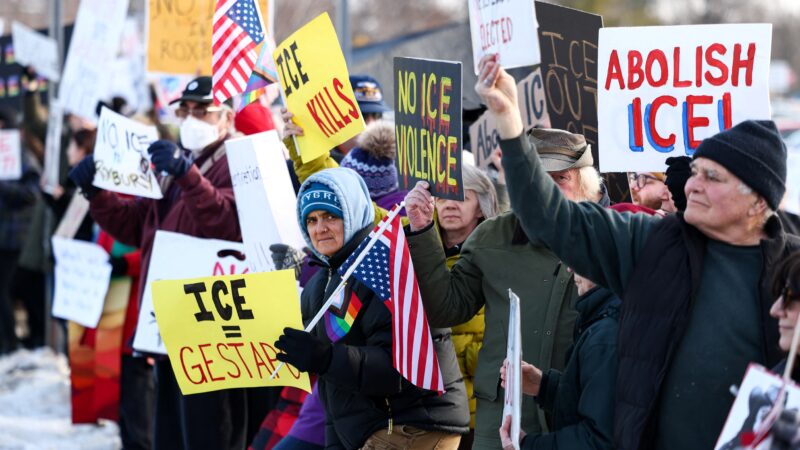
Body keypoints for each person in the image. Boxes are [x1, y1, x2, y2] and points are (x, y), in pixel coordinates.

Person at [475, 52, 800, 450]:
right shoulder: (651, 245)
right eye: (694, 172)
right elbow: (553, 218)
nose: (692, 185)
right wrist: (510, 123)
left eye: (712, 177)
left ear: (758, 201)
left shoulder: (791, 267)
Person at [69, 76, 246, 450]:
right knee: (169, 430)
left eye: (203, 111)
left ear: (227, 117)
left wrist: (188, 176)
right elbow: (138, 225)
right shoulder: (174, 164)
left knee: (208, 432)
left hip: (214, 328)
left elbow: (227, 222)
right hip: (169, 318)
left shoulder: (239, 159)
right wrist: (98, 195)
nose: (192, 119)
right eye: (186, 111)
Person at [403, 127, 606, 449]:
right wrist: (423, 229)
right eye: (537, 178)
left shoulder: (610, 237)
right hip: (503, 420)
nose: (545, 189)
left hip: (578, 417)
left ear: (586, 184)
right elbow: (447, 309)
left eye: (560, 178)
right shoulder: (492, 235)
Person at [274, 167, 469, 449]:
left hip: (414, 425)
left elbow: (397, 369)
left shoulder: (383, 263)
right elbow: (334, 392)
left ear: (353, 213)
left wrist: (324, 357)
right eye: (312, 220)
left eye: (331, 216)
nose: (320, 228)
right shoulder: (319, 284)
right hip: (373, 429)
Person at [499, 267, 620, 450]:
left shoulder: (605, 336)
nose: (570, 268)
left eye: (579, 257)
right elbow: (598, 402)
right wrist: (545, 386)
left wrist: (528, 445)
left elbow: (597, 440)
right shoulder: (602, 320)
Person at [0, 107, 40, 355]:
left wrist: (3, 187)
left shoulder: (19, 154)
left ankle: (9, 344)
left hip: (13, 238)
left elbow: (32, 193)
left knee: (5, 290)